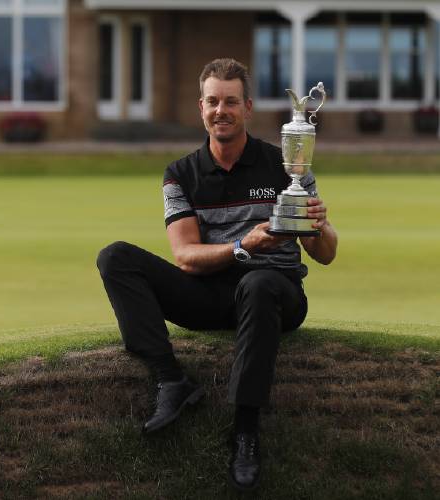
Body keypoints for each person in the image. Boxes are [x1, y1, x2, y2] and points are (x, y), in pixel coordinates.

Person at [97, 58, 337, 491]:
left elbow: (326, 255)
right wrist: (245, 245)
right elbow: (186, 256)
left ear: (247, 108)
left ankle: (245, 432)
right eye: (212, 102)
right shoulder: (180, 174)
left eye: (230, 101)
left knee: (258, 281)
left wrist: (317, 223)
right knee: (115, 257)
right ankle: (172, 380)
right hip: (212, 294)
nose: (220, 110)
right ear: (200, 108)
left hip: (276, 295)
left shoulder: (285, 163)